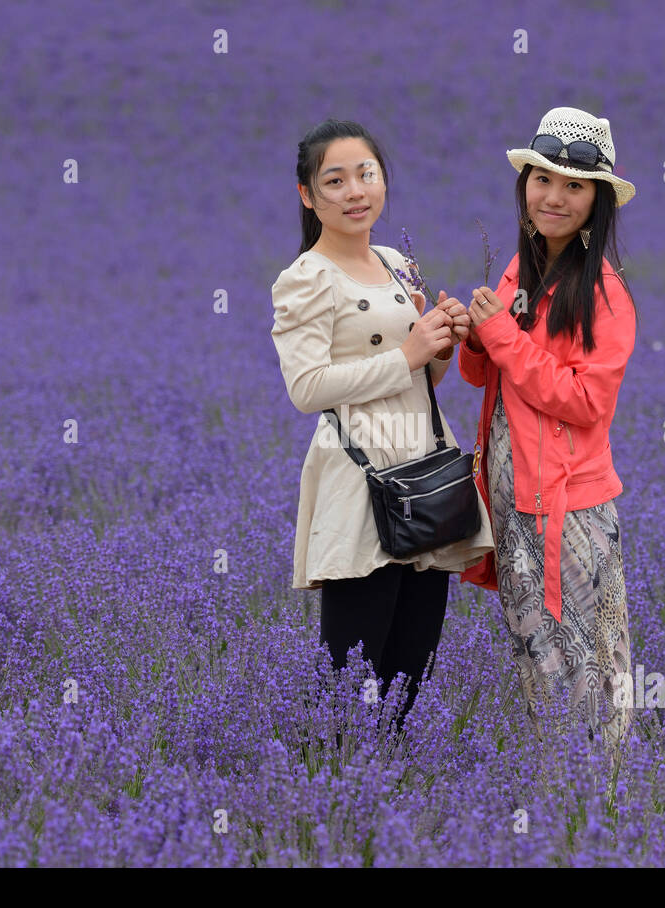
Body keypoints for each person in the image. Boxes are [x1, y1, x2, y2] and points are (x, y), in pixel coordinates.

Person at [270, 119, 495, 733]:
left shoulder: (398, 264)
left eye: (365, 174)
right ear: (307, 196)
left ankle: (386, 795)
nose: (354, 191)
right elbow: (306, 388)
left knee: (410, 671)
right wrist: (407, 353)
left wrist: (443, 340)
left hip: (424, 469)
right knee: (352, 673)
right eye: (334, 180)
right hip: (362, 480)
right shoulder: (306, 278)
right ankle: (329, 797)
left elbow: (424, 380)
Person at [458, 107, 640, 756]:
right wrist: (475, 337)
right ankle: (563, 806)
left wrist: (502, 337)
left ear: (597, 201)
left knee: (591, 670)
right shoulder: (520, 267)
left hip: (570, 513)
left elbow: (586, 402)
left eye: (573, 185)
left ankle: (605, 812)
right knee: (541, 667)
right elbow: (489, 378)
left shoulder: (606, 295)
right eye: (542, 179)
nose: (554, 197)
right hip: (514, 505)